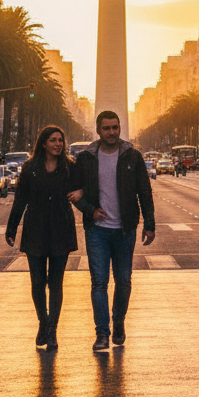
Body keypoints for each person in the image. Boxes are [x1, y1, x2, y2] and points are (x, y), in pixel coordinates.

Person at [72, 111, 155, 350]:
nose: (111, 132)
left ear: (120, 128)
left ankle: (118, 320)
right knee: (99, 282)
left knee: (124, 280)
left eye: (115, 127)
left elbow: (145, 191)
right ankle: (102, 333)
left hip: (124, 229)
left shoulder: (132, 156)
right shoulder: (86, 157)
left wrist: (149, 224)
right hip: (97, 230)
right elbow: (74, 191)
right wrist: (90, 210)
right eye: (106, 128)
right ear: (98, 130)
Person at [5, 125, 83, 351]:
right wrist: (12, 228)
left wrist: (83, 194)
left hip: (61, 229)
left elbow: (84, 189)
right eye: (53, 140)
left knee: (56, 283)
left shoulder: (69, 167)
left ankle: (52, 331)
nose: (58, 144)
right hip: (35, 229)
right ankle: (43, 321)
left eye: (60, 140)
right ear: (43, 143)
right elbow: (21, 198)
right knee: (38, 282)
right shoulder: (30, 168)